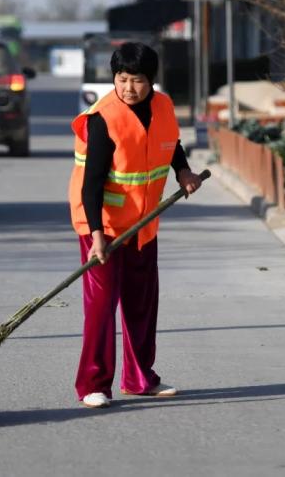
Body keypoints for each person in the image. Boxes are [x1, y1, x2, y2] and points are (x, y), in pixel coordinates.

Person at [68, 42, 201, 408]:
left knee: (141, 302)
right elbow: (90, 184)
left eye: (137, 80)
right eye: (121, 79)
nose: (128, 88)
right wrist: (96, 237)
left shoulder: (163, 106)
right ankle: (93, 383)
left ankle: (140, 378)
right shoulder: (102, 118)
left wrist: (183, 171)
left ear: (151, 82)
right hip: (102, 224)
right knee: (101, 304)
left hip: (143, 223)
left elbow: (169, 141)